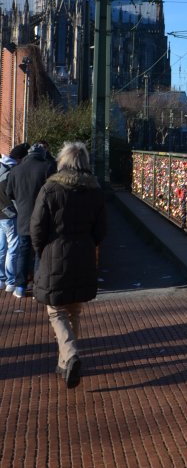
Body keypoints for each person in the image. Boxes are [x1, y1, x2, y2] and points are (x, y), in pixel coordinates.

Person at [31, 141, 106, 388]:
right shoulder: (94, 190)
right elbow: (101, 229)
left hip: (55, 252)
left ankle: (71, 354)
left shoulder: (50, 188)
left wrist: (41, 250)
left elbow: (37, 227)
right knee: (74, 309)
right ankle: (64, 363)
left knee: (56, 309)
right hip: (83, 254)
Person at [7, 142, 53, 298]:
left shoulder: (16, 170)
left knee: (23, 251)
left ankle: (20, 286)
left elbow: (9, 193)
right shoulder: (47, 167)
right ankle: (37, 285)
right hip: (42, 216)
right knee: (40, 251)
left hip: (23, 216)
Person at [0, 144, 29, 294]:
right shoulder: (12, 171)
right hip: (10, 215)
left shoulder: (1, 166)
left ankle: (1, 279)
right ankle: (11, 281)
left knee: (2, 247)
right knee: (13, 248)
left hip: (0, 215)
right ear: (19, 158)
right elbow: (13, 195)